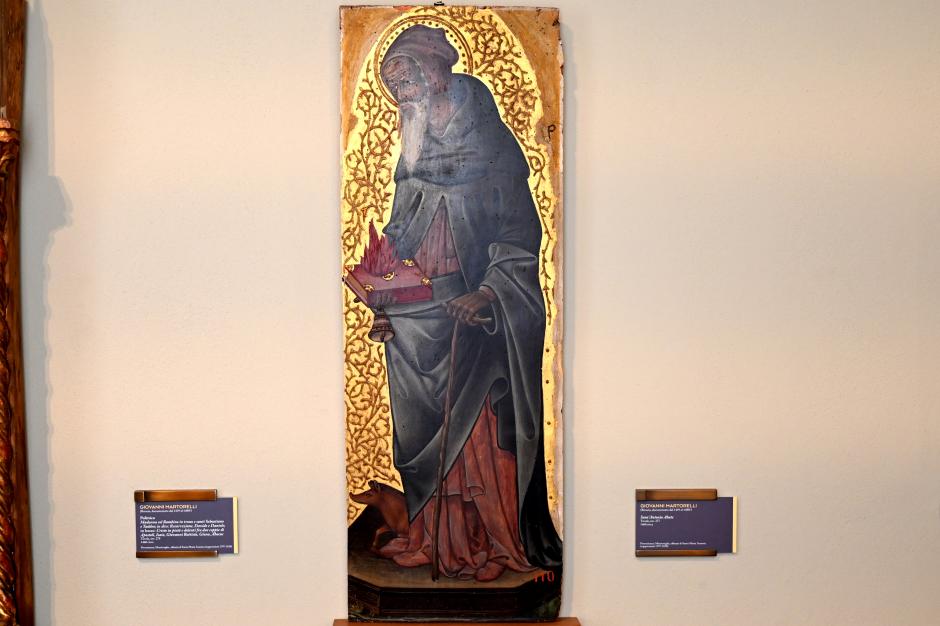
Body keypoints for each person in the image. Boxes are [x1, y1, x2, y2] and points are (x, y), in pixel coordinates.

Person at [373, 24, 561, 582]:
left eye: (407, 83)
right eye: (394, 89)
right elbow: (397, 238)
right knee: (422, 430)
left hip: (474, 313)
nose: (402, 97)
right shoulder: (412, 155)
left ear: (436, 74)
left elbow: (519, 234)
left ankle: (495, 544)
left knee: (478, 432)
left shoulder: (491, 148)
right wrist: (382, 299)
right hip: (415, 319)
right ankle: (433, 540)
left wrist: (488, 291)